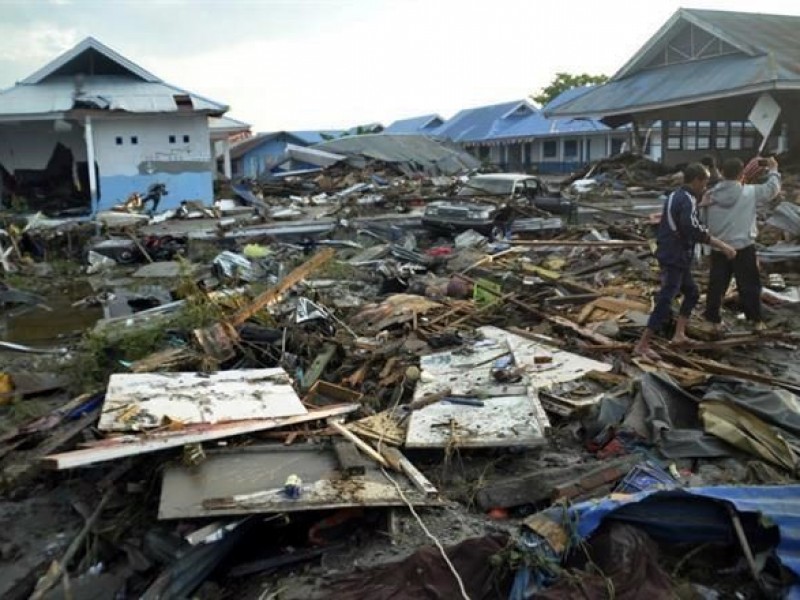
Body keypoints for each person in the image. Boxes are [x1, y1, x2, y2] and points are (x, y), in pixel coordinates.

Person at [634, 163, 737, 360]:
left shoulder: (675, 195)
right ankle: (643, 344)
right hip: (676, 256)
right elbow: (692, 228)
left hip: (670, 253)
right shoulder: (688, 199)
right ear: (696, 180)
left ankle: (679, 335)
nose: (705, 187)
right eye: (705, 182)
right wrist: (722, 245)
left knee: (692, 292)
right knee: (666, 299)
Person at [701, 156, 781, 333]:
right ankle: (755, 321)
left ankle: (711, 320)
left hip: (719, 246)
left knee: (717, 285)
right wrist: (773, 170)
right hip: (743, 246)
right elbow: (772, 189)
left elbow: (702, 221)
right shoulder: (750, 192)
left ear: (721, 172)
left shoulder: (710, 194)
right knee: (749, 285)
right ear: (741, 173)